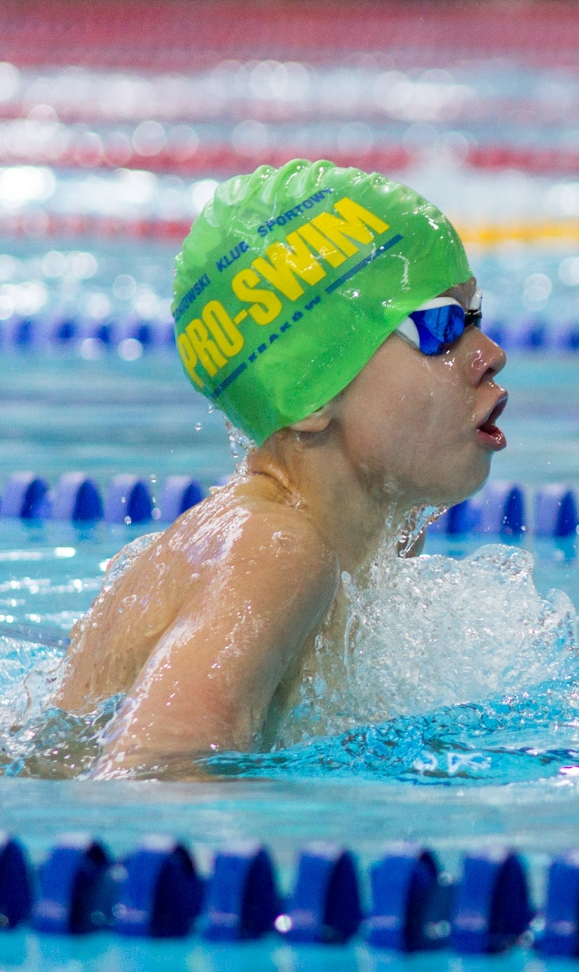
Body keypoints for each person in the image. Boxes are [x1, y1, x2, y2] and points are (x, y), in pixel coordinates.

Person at [52, 159, 508, 780]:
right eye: (441, 327)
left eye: (475, 318)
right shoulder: (275, 551)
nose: (490, 354)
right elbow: (153, 775)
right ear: (309, 392)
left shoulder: (370, 541)